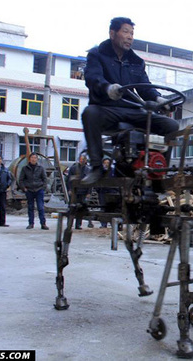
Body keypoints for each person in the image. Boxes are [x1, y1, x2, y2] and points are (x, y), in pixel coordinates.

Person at [81, 16, 179, 184]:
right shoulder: (96, 54)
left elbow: (144, 87)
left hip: (132, 110)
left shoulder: (136, 61)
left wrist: (159, 99)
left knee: (171, 125)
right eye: (125, 32)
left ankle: (158, 171)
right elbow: (92, 78)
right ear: (113, 33)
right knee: (90, 113)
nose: (130, 37)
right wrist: (107, 88)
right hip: (107, 108)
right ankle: (97, 167)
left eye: (132, 33)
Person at [18, 153, 49, 230]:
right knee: (30, 207)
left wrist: (43, 188)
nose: (33, 159)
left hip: (39, 190)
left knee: (40, 207)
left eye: (35, 158)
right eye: (32, 157)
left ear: (37, 159)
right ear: (29, 159)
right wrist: (24, 188)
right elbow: (21, 180)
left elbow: (45, 179)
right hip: (29, 190)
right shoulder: (25, 168)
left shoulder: (41, 168)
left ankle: (43, 224)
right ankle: (31, 223)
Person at [66, 154, 93, 229]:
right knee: (71, 208)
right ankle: (69, 224)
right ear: (79, 160)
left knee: (81, 209)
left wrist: (89, 192)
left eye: (84, 159)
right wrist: (69, 189)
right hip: (74, 192)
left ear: (86, 161)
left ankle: (78, 224)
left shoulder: (88, 170)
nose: (82, 160)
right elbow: (68, 180)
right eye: (81, 159)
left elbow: (90, 182)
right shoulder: (73, 168)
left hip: (83, 192)